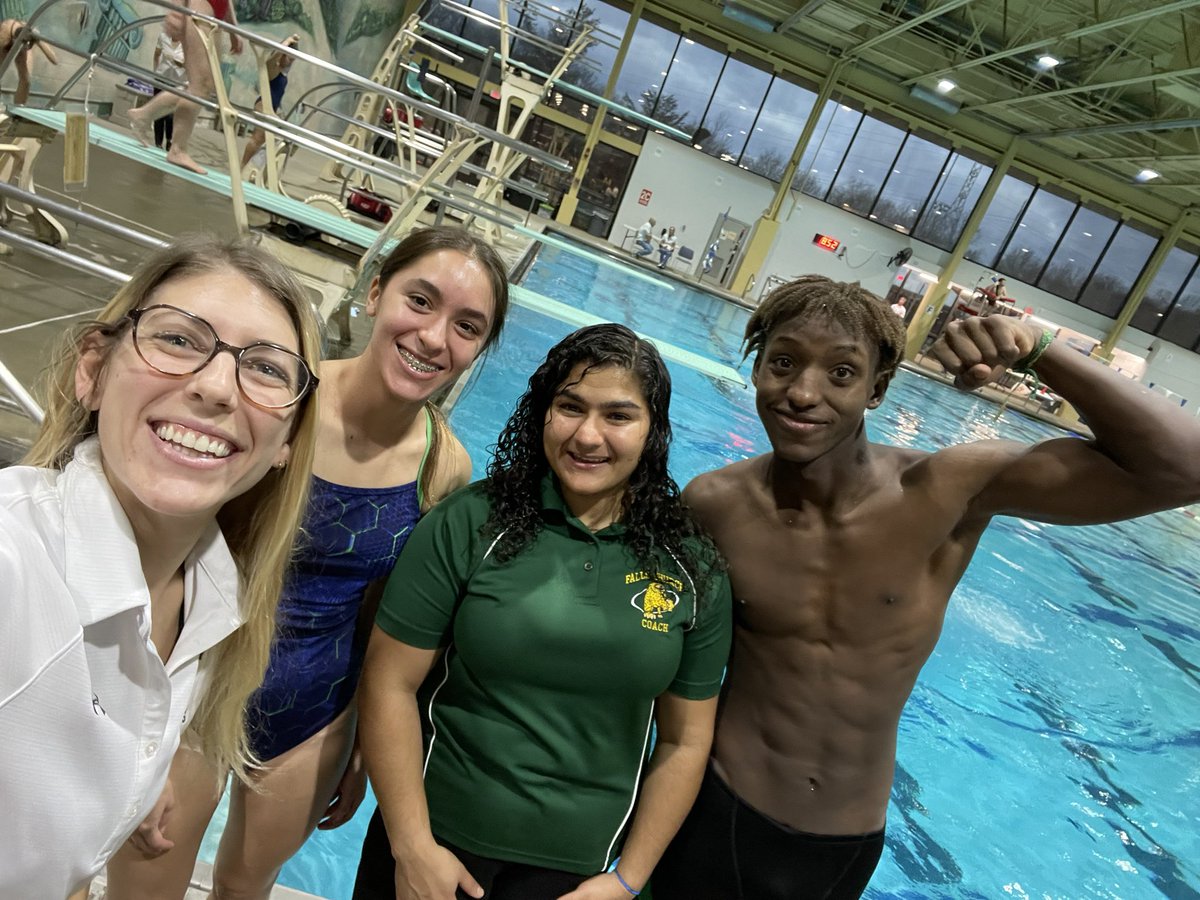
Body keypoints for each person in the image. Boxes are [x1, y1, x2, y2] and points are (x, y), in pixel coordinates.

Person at [652, 275, 1200, 900]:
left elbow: (1184, 468)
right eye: (783, 363)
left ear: (877, 388)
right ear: (756, 370)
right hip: (717, 809)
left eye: (841, 372)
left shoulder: (949, 490)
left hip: (843, 842)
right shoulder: (714, 503)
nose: (802, 392)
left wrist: (1039, 349)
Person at [104, 225, 510, 900]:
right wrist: (139, 711)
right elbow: (167, 541)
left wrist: (363, 743)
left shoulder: (444, 465)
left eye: (467, 326)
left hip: (315, 709)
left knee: (246, 887)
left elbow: (390, 614)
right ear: (375, 292)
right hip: (200, 682)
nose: (434, 337)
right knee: (143, 888)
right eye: (419, 301)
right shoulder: (278, 398)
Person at [353, 323, 732, 900]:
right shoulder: (470, 522)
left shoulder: (690, 566)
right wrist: (411, 846)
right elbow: (389, 683)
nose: (588, 435)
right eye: (570, 407)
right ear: (543, 412)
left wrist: (627, 880)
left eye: (618, 415)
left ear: (653, 430)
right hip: (435, 846)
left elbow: (684, 742)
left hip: (584, 874)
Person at [0, 234, 322, 900]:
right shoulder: (15, 562)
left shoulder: (210, 604)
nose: (215, 387)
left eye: (266, 369)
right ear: (93, 369)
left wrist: (128, 779)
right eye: (177, 339)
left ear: (287, 441)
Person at [127, 0, 243, 175]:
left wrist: (233, 29)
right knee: (199, 88)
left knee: (206, 86)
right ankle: (177, 149)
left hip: (215, 15)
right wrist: (176, 10)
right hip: (201, 8)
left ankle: (143, 115)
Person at [241, 33, 299, 170]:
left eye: (292, 60)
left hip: (272, 107)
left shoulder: (282, 73)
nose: (290, 63)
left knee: (266, 140)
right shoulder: (273, 69)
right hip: (263, 106)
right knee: (257, 139)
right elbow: (272, 59)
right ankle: (243, 166)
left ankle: (253, 168)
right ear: (282, 55)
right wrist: (287, 42)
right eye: (289, 58)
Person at [1, 18, 58, 106]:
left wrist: (38, 40)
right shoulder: (5, 33)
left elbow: (55, 60)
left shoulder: (30, 34)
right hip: (9, 38)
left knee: (26, 80)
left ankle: (18, 108)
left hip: (21, 38)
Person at [151, 28, 186, 150]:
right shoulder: (163, 37)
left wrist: (180, 63)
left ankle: (170, 140)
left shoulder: (188, 42)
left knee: (171, 115)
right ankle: (158, 143)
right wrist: (155, 72)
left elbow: (191, 65)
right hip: (161, 78)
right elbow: (156, 54)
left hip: (177, 83)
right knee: (158, 112)